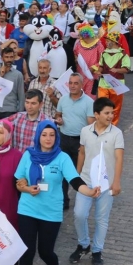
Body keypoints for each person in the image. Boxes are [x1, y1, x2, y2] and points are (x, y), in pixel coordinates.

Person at [13, 121, 102, 265]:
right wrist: (27, 188)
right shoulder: (28, 155)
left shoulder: (62, 158)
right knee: (27, 252)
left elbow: (75, 180)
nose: (48, 138)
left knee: (45, 252)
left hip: (51, 212)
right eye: (44, 134)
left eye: (51, 135)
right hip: (27, 209)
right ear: (38, 136)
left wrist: (89, 191)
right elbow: (18, 181)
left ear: (56, 137)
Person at [70, 98, 124, 265]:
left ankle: (97, 251)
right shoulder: (85, 131)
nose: (110, 116)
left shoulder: (116, 133)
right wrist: (76, 177)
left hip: (106, 184)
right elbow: (82, 153)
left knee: (102, 219)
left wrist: (116, 182)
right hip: (86, 181)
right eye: (107, 113)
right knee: (79, 214)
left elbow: (119, 157)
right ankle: (84, 244)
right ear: (96, 114)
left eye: (112, 113)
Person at [55, 74, 95, 209]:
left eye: (75, 83)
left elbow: (91, 125)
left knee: (80, 173)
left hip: (80, 142)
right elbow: (58, 115)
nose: (72, 86)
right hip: (64, 139)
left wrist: (85, 145)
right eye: (70, 83)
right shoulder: (63, 99)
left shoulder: (89, 102)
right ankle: (63, 200)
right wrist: (59, 120)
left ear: (81, 85)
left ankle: (82, 201)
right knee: (62, 172)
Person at [96, 32, 129, 125]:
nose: (106, 42)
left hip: (116, 84)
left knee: (115, 107)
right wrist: (99, 71)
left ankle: (113, 126)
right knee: (102, 105)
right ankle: (102, 124)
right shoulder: (104, 53)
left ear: (114, 42)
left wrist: (117, 70)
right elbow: (101, 66)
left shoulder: (122, 54)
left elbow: (126, 69)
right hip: (103, 83)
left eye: (108, 40)